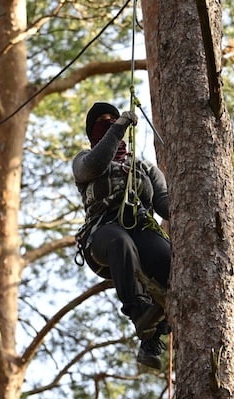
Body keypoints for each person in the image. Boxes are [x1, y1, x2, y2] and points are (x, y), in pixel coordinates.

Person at [73, 102, 172, 370]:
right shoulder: (83, 160)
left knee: (167, 259)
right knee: (120, 242)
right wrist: (117, 129)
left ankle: (153, 334)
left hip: (140, 227)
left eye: (112, 119)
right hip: (102, 232)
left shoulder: (144, 167)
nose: (107, 122)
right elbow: (94, 166)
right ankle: (139, 310)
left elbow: (163, 203)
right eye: (102, 122)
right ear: (94, 133)